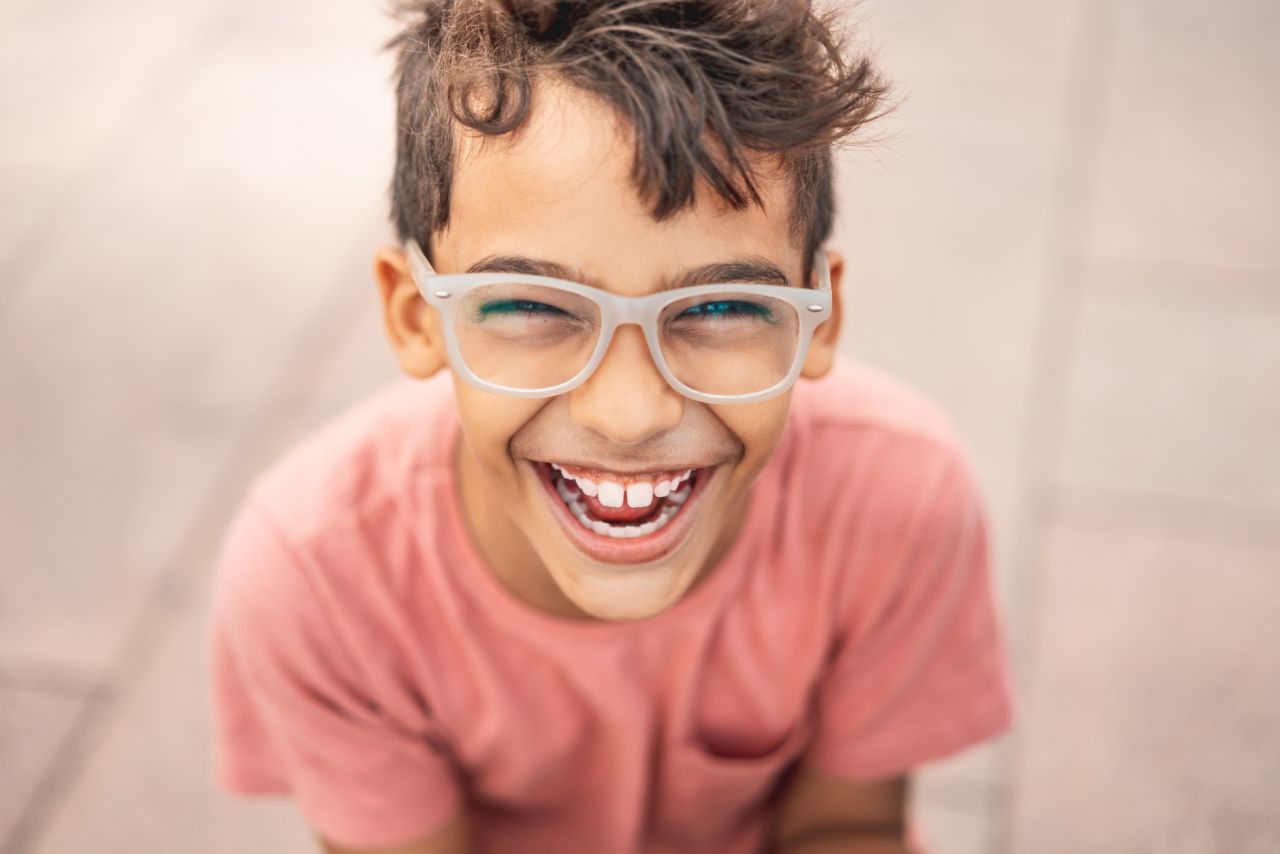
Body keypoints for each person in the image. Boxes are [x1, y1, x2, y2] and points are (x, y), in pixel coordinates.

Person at [207, 2, 1017, 852]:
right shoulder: (319, 576)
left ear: (819, 320)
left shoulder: (896, 500)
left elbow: (846, 826)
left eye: (721, 305)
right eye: (530, 304)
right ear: (416, 317)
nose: (629, 415)